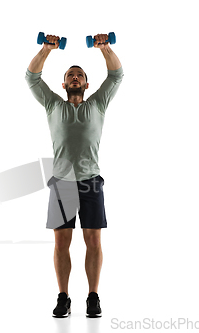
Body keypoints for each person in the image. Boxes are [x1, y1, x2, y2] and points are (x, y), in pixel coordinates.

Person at [25, 33, 123, 318]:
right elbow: (32, 77)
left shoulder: (97, 104)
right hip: (62, 183)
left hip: (91, 180)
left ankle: (93, 297)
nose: (75, 78)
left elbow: (116, 75)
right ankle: (64, 297)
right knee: (62, 243)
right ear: (64, 84)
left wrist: (104, 48)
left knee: (93, 241)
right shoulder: (54, 105)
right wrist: (46, 49)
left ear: (87, 84)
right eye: (71, 75)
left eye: (80, 75)